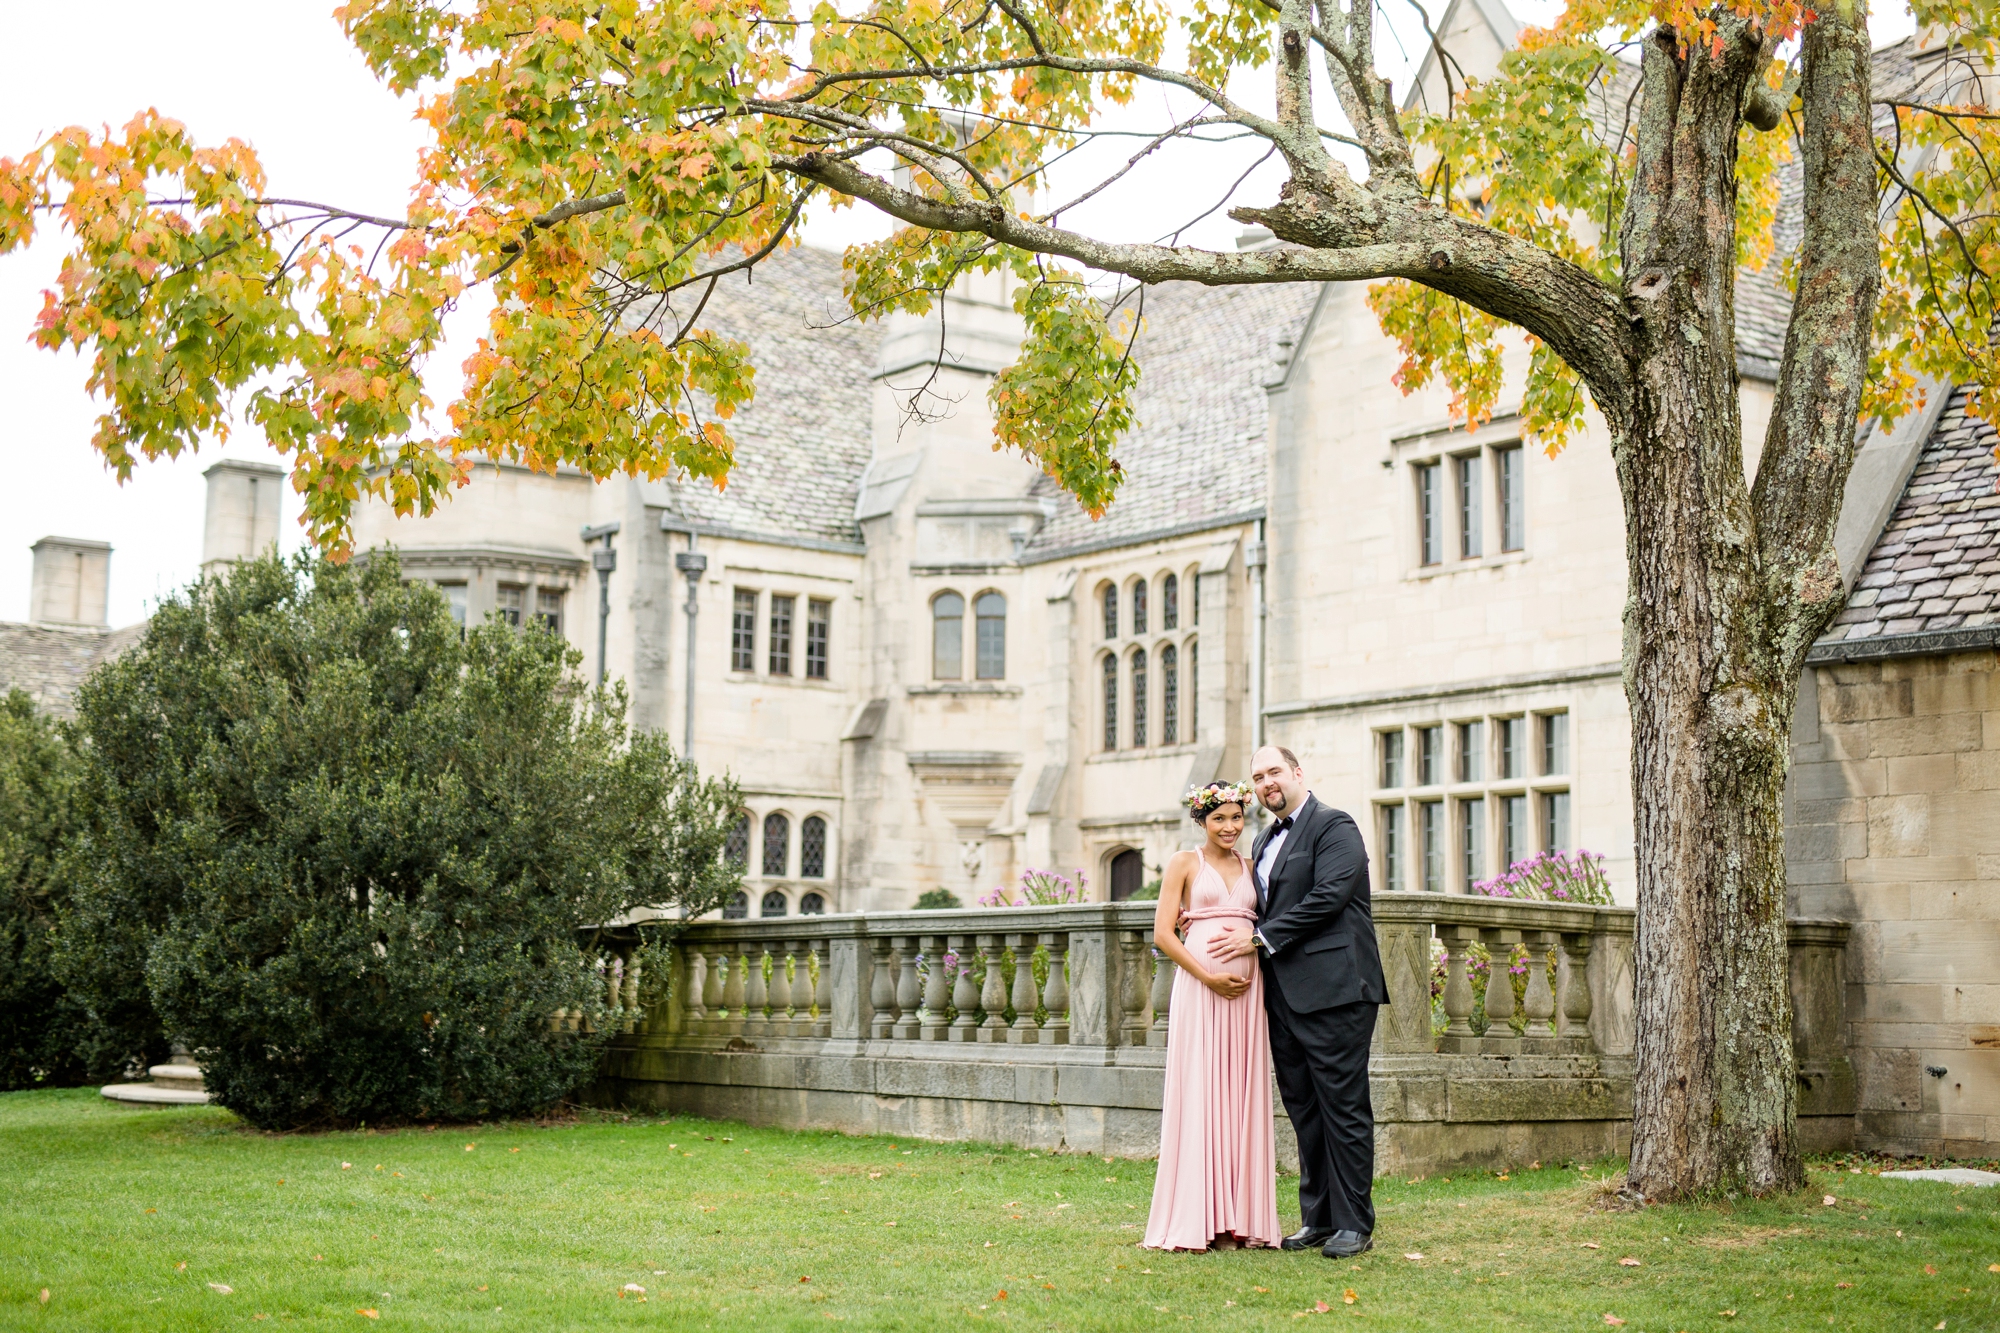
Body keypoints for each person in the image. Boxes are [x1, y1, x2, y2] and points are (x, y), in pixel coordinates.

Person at [1208, 745, 1386, 1259]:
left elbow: (1329, 896)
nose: (1266, 782)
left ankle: (1355, 1223)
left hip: (1335, 990)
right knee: (1304, 1108)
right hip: (1282, 994)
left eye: (1274, 772)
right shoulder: (1263, 838)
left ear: (1298, 773)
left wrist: (1259, 939)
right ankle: (1319, 1218)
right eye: (1258, 776)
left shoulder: (1336, 826)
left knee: (1343, 1107)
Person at [1140, 780, 1283, 1252]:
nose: (1229, 826)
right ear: (1201, 821)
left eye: (1237, 817)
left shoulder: (1252, 865)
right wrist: (1209, 977)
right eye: (1219, 818)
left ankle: (1240, 1221)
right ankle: (1203, 1220)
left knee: (1240, 1097)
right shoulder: (1185, 863)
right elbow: (1164, 934)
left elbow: (1263, 919)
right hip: (1202, 994)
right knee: (1204, 1093)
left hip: (1247, 999)